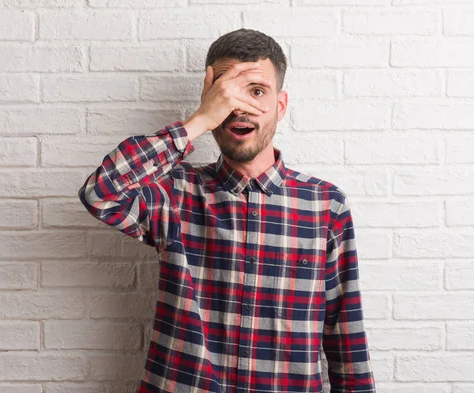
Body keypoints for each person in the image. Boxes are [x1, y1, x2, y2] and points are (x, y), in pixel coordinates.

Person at [78, 28, 376, 393]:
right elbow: (100, 193)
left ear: (280, 106)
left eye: (256, 91)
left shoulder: (325, 205)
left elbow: (346, 335)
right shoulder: (174, 192)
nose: (242, 107)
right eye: (227, 92)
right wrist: (198, 121)